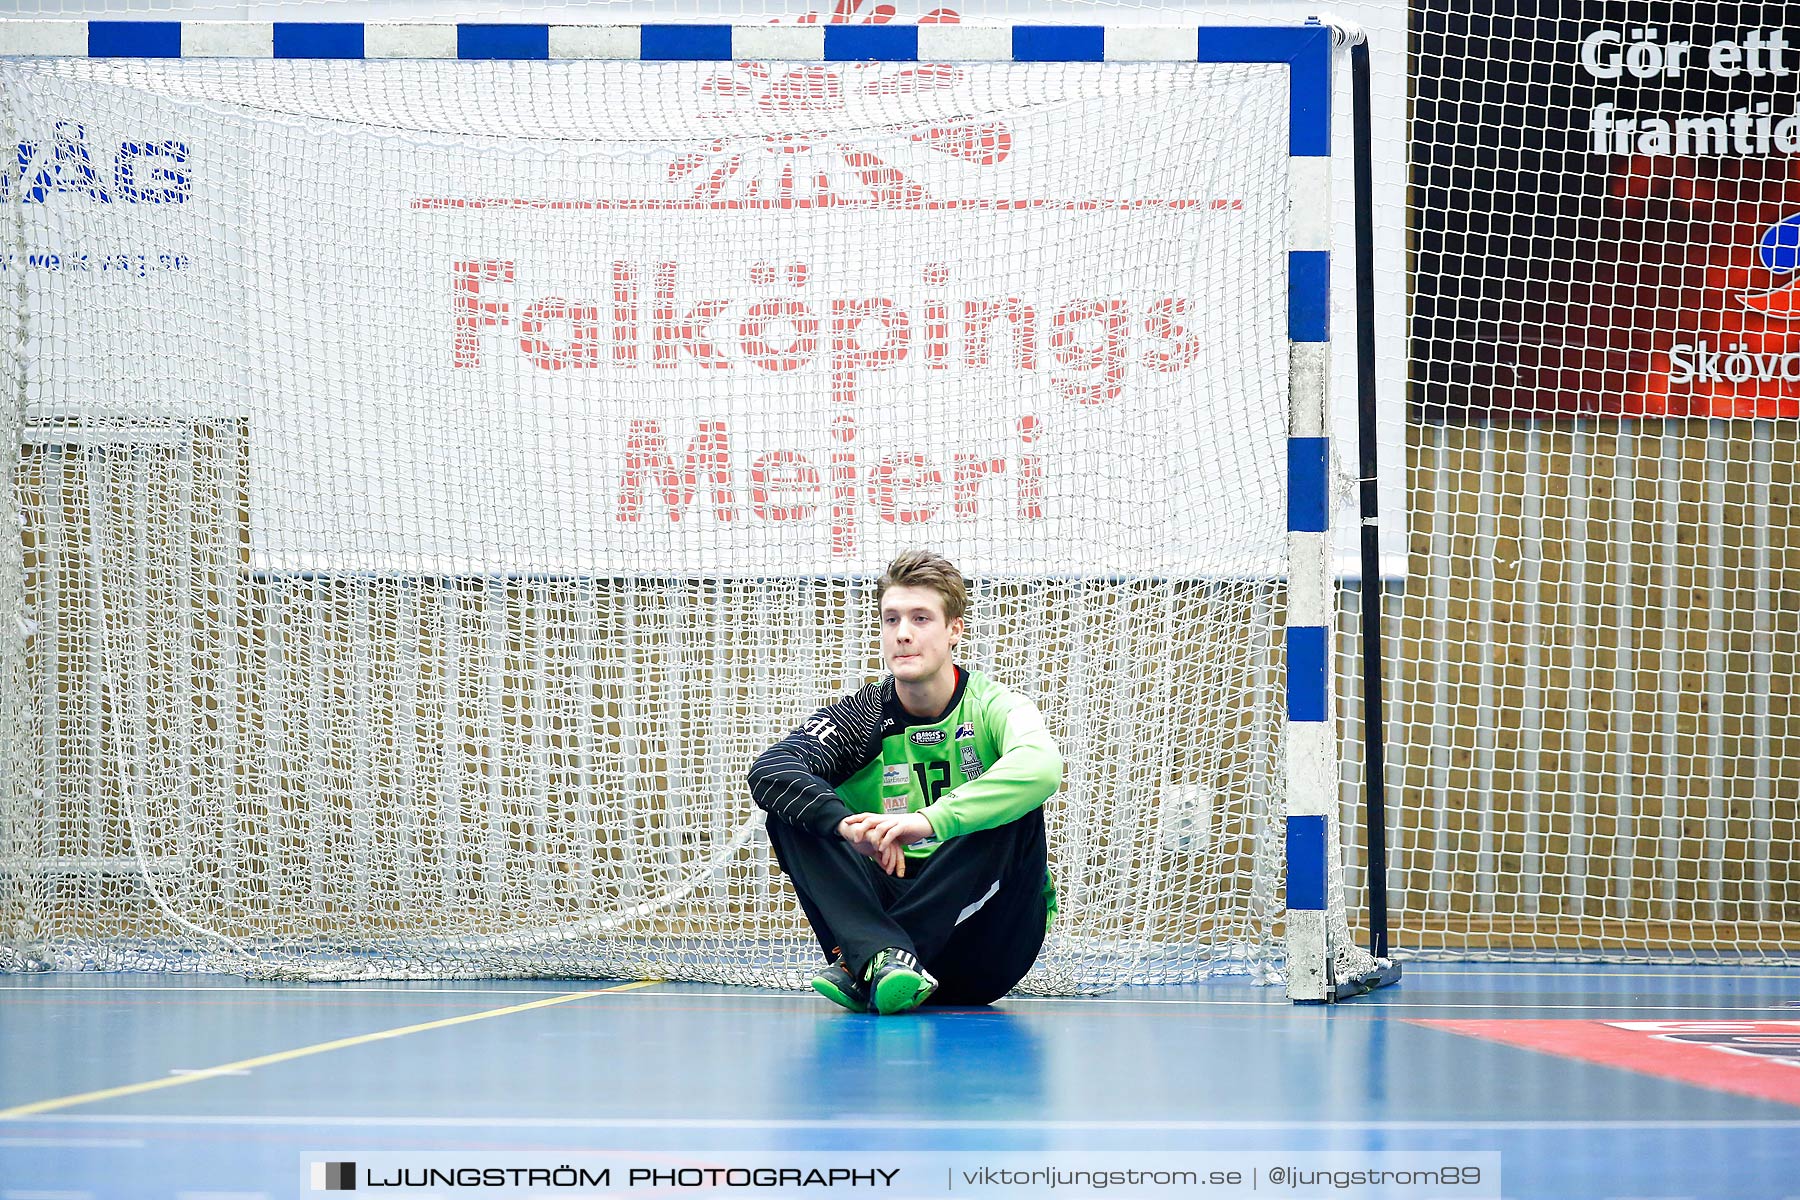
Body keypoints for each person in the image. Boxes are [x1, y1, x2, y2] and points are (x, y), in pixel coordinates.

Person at [747, 549, 1062, 1015]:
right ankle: (882, 959)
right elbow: (771, 770)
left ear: (955, 629)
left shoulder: (995, 705)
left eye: (920, 618)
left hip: (986, 947)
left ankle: (872, 958)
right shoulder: (862, 716)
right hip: (890, 905)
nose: (904, 633)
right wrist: (847, 826)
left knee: (1018, 810)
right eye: (891, 619)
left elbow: (1041, 767)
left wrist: (928, 821)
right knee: (794, 813)